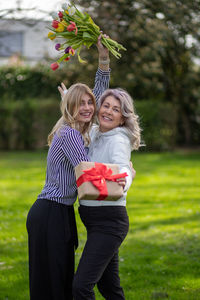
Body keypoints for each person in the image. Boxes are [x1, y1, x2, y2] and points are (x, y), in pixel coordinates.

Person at [26, 36, 112, 300]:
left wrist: (104, 61)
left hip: (58, 213)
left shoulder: (72, 128)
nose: (88, 108)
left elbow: (96, 96)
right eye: (80, 104)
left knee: (59, 279)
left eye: (89, 103)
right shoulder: (70, 134)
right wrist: (123, 175)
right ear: (70, 108)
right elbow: (86, 174)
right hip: (50, 213)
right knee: (52, 283)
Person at [72, 87, 141, 299]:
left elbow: (123, 170)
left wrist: (126, 179)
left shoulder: (118, 139)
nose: (108, 112)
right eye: (106, 106)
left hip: (109, 222)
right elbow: (78, 117)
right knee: (109, 288)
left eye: (116, 109)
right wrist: (69, 100)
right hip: (96, 223)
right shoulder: (94, 132)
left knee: (81, 287)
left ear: (122, 118)